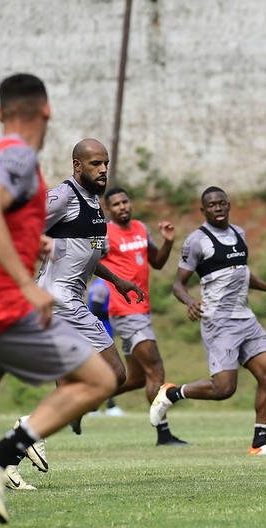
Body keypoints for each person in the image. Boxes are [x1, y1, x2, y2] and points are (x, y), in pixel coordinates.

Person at [0, 73, 117, 524]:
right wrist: (25, 281)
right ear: (46, 111)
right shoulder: (19, 156)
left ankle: (0, 455)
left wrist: (29, 240)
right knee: (99, 380)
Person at [7, 138, 145, 487]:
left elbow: (89, 255)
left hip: (69, 301)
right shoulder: (63, 197)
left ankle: (8, 460)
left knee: (72, 383)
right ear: (77, 165)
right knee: (113, 375)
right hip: (59, 301)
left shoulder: (95, 205)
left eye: (106, 164)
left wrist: (118, 281)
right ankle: (29, 426)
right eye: (95, 164)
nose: (103, 170)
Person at [150, 186, 266, 455]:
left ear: (229, 206)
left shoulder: (239, 234)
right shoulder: (196, 241)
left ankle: (258, 443)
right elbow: (178, 285)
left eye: (222, 203)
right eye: (212, 205)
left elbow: (240, 272)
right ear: (203, 210)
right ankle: (172, 393)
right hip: (218, 322)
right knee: (224, 389)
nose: (218, 208)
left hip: (246, 319)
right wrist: (190, 302)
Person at [99, 187, 187, 444]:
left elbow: (157, 262)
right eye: (115, 204)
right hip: (125, 310)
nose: (122, 207)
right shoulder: (105, 234)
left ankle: (88, 400)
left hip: (142, 311)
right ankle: (164, 434)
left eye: (125, 201)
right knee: (156, 369)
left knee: (136, 378)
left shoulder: (139, 227)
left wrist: (168, 241)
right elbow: (91, 262)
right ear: (108, 210)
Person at [87, 277, 124, 416]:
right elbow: (95, 308)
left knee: (108, 371)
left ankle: (105, 406)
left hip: (104, 333)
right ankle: (99, 406)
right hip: (98, 333)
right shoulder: (101, 285)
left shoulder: (104, 283)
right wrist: (117, 310)